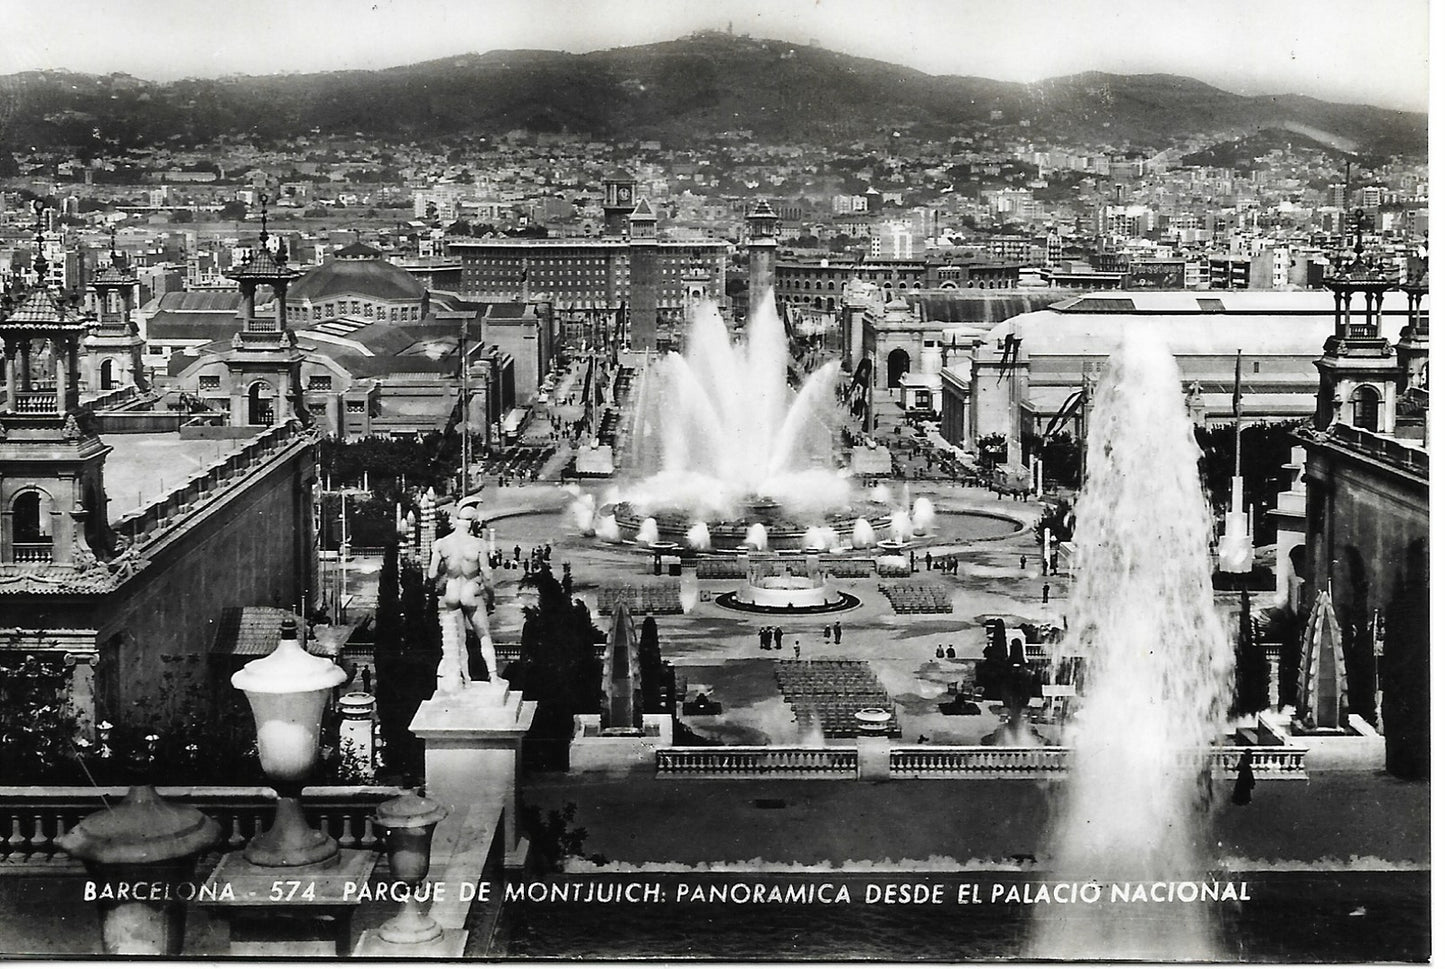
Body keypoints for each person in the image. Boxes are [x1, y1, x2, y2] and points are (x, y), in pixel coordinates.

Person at [428, 495, 498, 694]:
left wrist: (446, 567)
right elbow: (487, 576)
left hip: (451, 592)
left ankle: (465, 680)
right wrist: (491, 599)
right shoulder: (478, 544)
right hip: (470, 591)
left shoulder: (441, 543)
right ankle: (493, 677)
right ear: (473, 523)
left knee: (458, 641)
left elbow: (432, 574)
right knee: (484, 635)